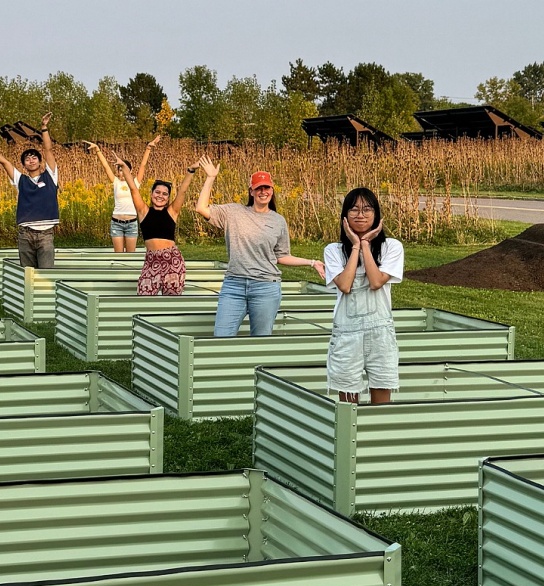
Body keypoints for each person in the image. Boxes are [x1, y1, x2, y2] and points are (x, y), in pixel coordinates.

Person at [193, 156, 324, 336]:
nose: (263, 191)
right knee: (221, 337)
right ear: (251, 192)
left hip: (266, 287)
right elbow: (201, 208)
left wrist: (311, 262)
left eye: (267, 187)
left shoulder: (278, 221)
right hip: (234, 285)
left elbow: (281, 256)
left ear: (272, 190)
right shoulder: (233, 212)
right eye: (258, 188)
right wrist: (210, 178)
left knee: (261, 339)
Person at [324, 188, 403, 404]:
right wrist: (356, 245)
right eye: (354, 209)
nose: (361, 214)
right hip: (346, 335)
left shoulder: (392, 248)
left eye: (367, 209)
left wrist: (366, 245)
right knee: (348, 403)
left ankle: (379, 437)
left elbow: (376, 282)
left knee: (382, 402)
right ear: (345, 216)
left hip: (381, 334)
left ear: (376, 215)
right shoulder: (333, 250)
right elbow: (345, 285)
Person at [0, 113, 59, 268]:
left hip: (46, 234)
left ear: (39, 161)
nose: (31, 161)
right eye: (27, 159)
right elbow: (3, 161)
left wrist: (44, 128)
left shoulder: (50, 176)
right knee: (27, 274)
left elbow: (48, 150)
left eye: (34, 158)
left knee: (46, 273)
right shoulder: (20, 179)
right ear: (23, 165)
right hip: (25, 233)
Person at [110, 153, 196, 295]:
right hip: (151, 260)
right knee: (144, 296)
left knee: (171, 301)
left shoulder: (172, 212)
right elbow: (133, 189)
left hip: (172, 260)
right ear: (151, 194)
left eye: (164, 194)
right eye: (157, 192)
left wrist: (190, 171)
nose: (160, 196)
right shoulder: (143, 211)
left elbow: (183, 191)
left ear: (168, 198)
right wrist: (124, 167)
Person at [85, 135, 160, 252]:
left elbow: (143, 165)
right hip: (117, 223)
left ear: (129, 171)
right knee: (118, 256)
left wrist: (148, 148)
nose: (122, 173)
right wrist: (97, 150)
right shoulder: (115, 182)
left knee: (130, 256)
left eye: (124, 169)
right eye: (119, 170)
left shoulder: (135, 182)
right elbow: (105, 166)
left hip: (131, 223)